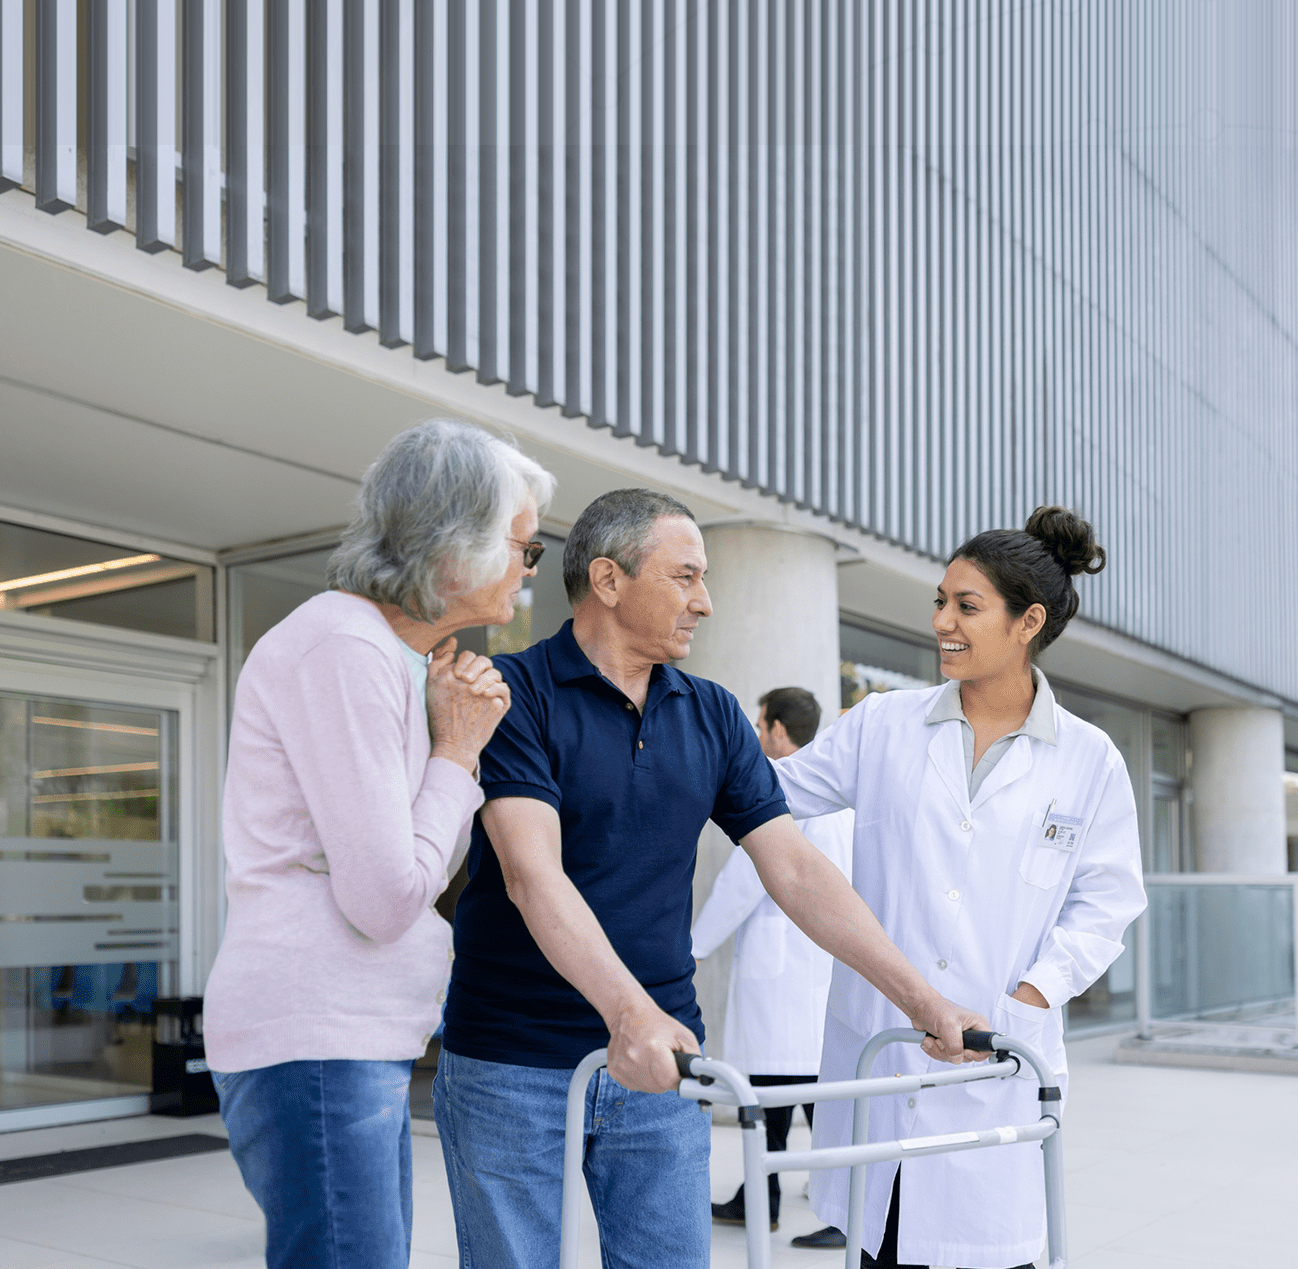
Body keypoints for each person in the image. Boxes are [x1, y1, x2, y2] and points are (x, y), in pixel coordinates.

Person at [432, 488, 988, 1269]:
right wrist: (628, 1015)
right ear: (608, 579)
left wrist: (925, 1002)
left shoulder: (714, 714)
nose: (707, 601)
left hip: (664, 1066)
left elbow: (792, 867)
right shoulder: (512, 693)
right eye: (686, 576)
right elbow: (533, 876)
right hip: (513, 1062)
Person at [204, 420, 553, 1269]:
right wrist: (458, 750)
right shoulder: (345, 646)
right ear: (457, 548)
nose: (527, 568)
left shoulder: (378, 652)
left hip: (340, 1033)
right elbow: (386, 895)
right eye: (522, 545)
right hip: (318, 1031)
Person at [774, 506, 1148, 1269]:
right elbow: (764, 792)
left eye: (965, 605)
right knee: (882, 1244)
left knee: (987, 1248)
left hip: (998, 1058)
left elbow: (1106, 902)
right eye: (939, 600)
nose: (941, 620)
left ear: (1027, 621)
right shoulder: (881, 725)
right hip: (885, 1052)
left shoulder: (1088, 758)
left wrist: (1031, 997)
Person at [692, 686, 855, 1234]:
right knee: (803, 1094)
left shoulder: (781, 789)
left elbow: (743, 883)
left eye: (761, 726)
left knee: (777, 1094)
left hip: (782, 974)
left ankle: (832, 1209)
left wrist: (689, 949)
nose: (757, 737)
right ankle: (762, 1198)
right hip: (814, 970)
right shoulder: (837, 793)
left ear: (780, 729)